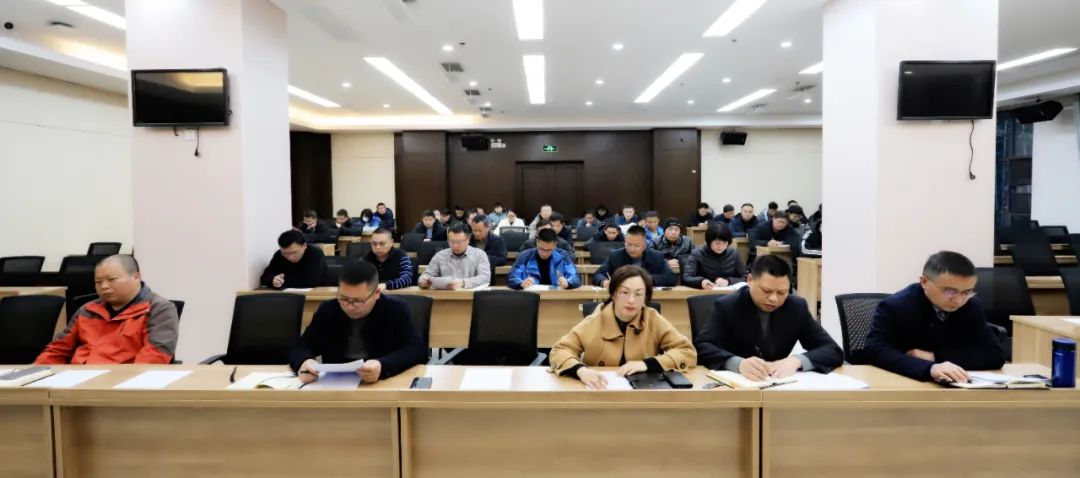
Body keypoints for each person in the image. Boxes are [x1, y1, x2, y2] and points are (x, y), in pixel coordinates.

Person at [864, 251, 1005, 382]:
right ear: (924, 282)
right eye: (950, 291)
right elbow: (875, 351)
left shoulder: (971, 306)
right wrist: (929, 368)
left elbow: (995, 355)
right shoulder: (896, 305)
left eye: (966, 292)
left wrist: (934, 357)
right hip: (902, 382)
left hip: (957, 386)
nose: (958, 301)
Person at [550, 265, 696, 389]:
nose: (631, 300)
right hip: (599, 391)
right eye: (625, 292)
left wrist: (648, 364)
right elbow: (560, 351)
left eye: (638, 294)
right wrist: (580, 370)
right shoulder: (594, 321)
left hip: (644, 394)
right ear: (613, 294)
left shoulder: (652, 318)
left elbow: (686, 351)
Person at [695, 255, 843, 378]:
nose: (774, 299)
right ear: (750, 280)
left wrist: (797, 360)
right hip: (736, 385)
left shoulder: (796, 307)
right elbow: (702, 347)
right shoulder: (727, 306)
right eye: (766, 291)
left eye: (782, 293)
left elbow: (832, 350)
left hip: (777, 383)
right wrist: (737, 363)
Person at [291, 260, 426, 385]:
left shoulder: (395, 309)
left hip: (381, 384)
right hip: (335, 385)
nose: (349, 306)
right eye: (343, 298)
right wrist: (304, 361)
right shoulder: (328, 309)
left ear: (376, 293)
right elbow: (302, 345)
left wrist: (383, 365)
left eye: (358, 301)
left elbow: (417, 349)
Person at [35, 255, 179, 364]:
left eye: (111, 279)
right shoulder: (87, 310)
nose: (104, 286)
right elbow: (58, 349)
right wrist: (34, 375)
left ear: (136, 277)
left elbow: (155, 356)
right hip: (78, 380)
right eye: (98, 282)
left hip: (121, 385)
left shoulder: (159, 309)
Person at [593, 225, 676, 287]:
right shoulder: (615, 256)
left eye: (636, 246)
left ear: (644, 245)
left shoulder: (656, 256)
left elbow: (671, 277)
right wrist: (604, 282)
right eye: (629, 244)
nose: (632, 249)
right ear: (625, 242)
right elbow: (598, 274)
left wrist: (644, 279)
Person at [417, 224, 491, 290]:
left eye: (459, 242)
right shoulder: (440, 256)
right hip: (445, 297)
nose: (455, 245)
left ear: (468, 239)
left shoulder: (479, 255)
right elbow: (425, 276)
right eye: (451, 241)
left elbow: (485, 277)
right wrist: (424, 282)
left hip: (471, 297)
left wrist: (463, 282)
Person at [508, 229, 580, 290]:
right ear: (537, 242)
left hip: (556, 296)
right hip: (531, 296)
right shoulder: (525, 256)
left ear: (555, 245)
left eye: (549, 250)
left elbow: (575, 277)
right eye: (542, 249)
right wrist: (521, 283)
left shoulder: (563, 255)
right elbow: (512, 277)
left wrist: (568, 283)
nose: (544, 253)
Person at [683, 223, 747, 290]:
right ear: (709, 242)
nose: (721, 247)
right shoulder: (697, 253)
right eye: (717, 243)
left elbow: (745, 277)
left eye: (724, 243)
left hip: (728, 293)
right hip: (705, 292)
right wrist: (701, 281)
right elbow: (687, 277)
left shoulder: (733, 253)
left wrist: (728, 281)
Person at [260, 230, 327, 289]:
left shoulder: (315, 253)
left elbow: (312, 280)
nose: (290, 257)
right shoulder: (279, 254)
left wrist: (283, 281)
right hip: (287, 295)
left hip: (319, 292)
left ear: (304, 246)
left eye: (294, 252)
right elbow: (265, 277)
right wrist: (273, 280)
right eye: (285, 253)